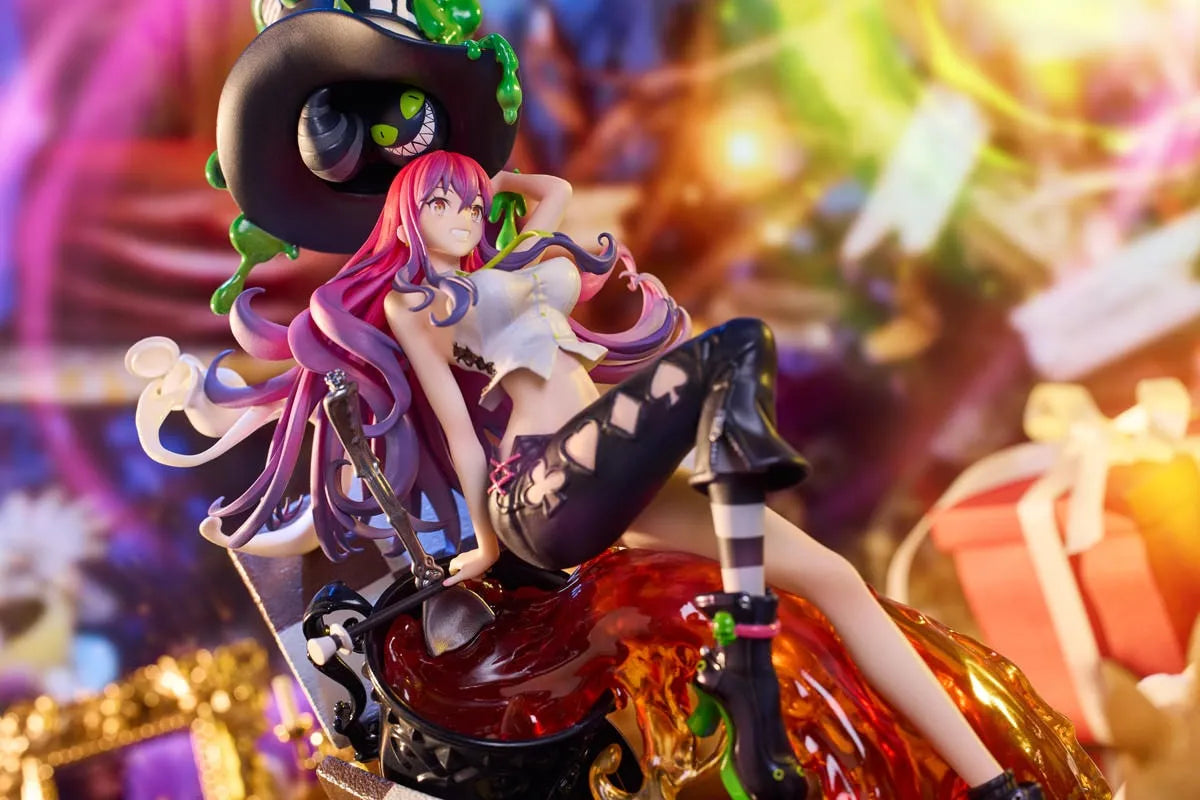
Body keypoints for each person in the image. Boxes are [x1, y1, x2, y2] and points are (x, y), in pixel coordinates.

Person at [132, 149, 1042, 800]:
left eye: (469, 202)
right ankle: (747, 658)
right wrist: (486, 541)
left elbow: (554, 190)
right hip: (540, 489)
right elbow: (460, 431)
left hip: (621, 470)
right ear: (408, 216)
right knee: (729, 349)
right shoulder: (421, 302)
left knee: (835, 576)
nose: (464, 214)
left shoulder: (512, 263)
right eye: (442, 203)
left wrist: (478, 175)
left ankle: (994, 783)